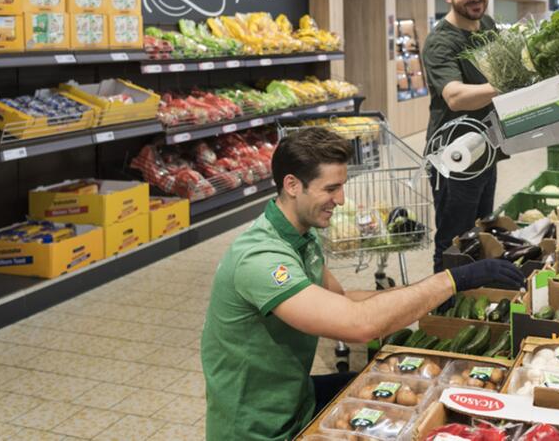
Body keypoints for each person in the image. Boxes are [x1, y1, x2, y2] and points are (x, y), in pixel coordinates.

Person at [200, 127, 523, 441]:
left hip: (296, 398)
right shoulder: (261, 258)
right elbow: (358, 324)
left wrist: (432, 296)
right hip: (257, 427)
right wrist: (453, 279)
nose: (340, 200)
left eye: (342, 186)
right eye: (330, 189)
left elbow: (342, 298)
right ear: (292, 185)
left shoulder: (303, 236)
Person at [421, 0, 499, 274]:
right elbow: (454, 97)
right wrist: (506, 86)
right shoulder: (440, 41)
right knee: (453, 240)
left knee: (480, 229)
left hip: (486, 147)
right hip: (453, 157)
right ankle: (444, 300)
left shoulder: (488, 26)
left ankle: (474, 289)